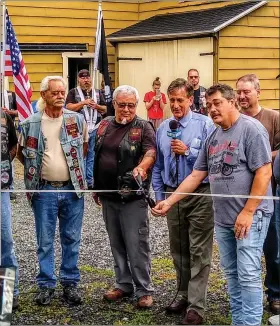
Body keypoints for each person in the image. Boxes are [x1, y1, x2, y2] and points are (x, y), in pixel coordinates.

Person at [153, 83, 273, 326]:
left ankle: (249, 323)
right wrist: (169, 201)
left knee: (248, 274)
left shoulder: (251, 129)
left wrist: (248, 211)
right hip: (224, 218)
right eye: (209, 105)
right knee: (232, 274)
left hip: (251, 217)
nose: (213, 109)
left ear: (232, 102)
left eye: (217, 103)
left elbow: (264, 172)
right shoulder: (213, 136)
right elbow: (197, 175)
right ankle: (239, 321)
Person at [17, 76, 88, 306]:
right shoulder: (30, 123)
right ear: (44, 94)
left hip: (72, 189)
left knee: (71, 238)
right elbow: (20, 152)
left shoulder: (77, 120)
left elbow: (85, 149)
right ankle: (46, 284)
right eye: (55, 92)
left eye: (62, 92)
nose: (60, 96)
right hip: (43, 190)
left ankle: (70, 282)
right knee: (44, 240)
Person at [152, 78, 215, 325]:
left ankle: (196, 306)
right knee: (179, 249)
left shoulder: (205, 125)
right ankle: (183, 293)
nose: (176, 105)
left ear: (191, 100)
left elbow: (211, 165)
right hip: (171, 195)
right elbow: (158, 166)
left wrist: (187, 152)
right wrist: (160, 197)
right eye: (172, 100)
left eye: (181, 100)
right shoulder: (163, 127)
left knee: (199, 250)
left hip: (200, 194)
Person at [93, 85, 156, 308]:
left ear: (136, 106)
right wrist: (96, 187)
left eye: (131, 105)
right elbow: (96, 153)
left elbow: (150, 151)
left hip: (133, 197)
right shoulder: (104, 124)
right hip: (108, 196)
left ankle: (144, 289)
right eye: (122, 105)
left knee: (136, 243)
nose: (126, 109)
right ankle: (123, 284)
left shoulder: (144, 126)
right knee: (116, 242)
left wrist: (143, 166)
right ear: (114, 104)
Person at [236, 73, 280, 315]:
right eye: (238, 92)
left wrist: (257, 157)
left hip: (268, 196)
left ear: (258, 92)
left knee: (273, 249)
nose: (242, 96)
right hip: (238, 197)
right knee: (243, 251)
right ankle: (245, 294)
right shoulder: (235, 120)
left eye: (246, 92)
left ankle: (275, 293)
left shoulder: (273, 118)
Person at [66, 69, 106, 189]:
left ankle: (90, 181)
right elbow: (68, 107)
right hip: (78, 129)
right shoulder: (73, 92)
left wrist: (97, 106)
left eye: (88, 78)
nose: (86, 80)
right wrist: (83, 103)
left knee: (92, 156)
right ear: (79, 79)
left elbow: (105, 109)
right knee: (80, 155)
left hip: (95, 128)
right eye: (83, 78)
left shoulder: (98, 92)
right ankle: (80, 181)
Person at [1, 109, 19, 310]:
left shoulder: (4, 117)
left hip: (1, 189)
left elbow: (13, 146)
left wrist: (3, 167)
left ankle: (7, 297)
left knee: (4, 242)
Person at [2, 90, 18, 200]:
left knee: (7, 161)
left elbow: (19, 111)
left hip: (8, 128)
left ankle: (10, 187)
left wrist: (9, 112)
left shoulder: (11, 94)